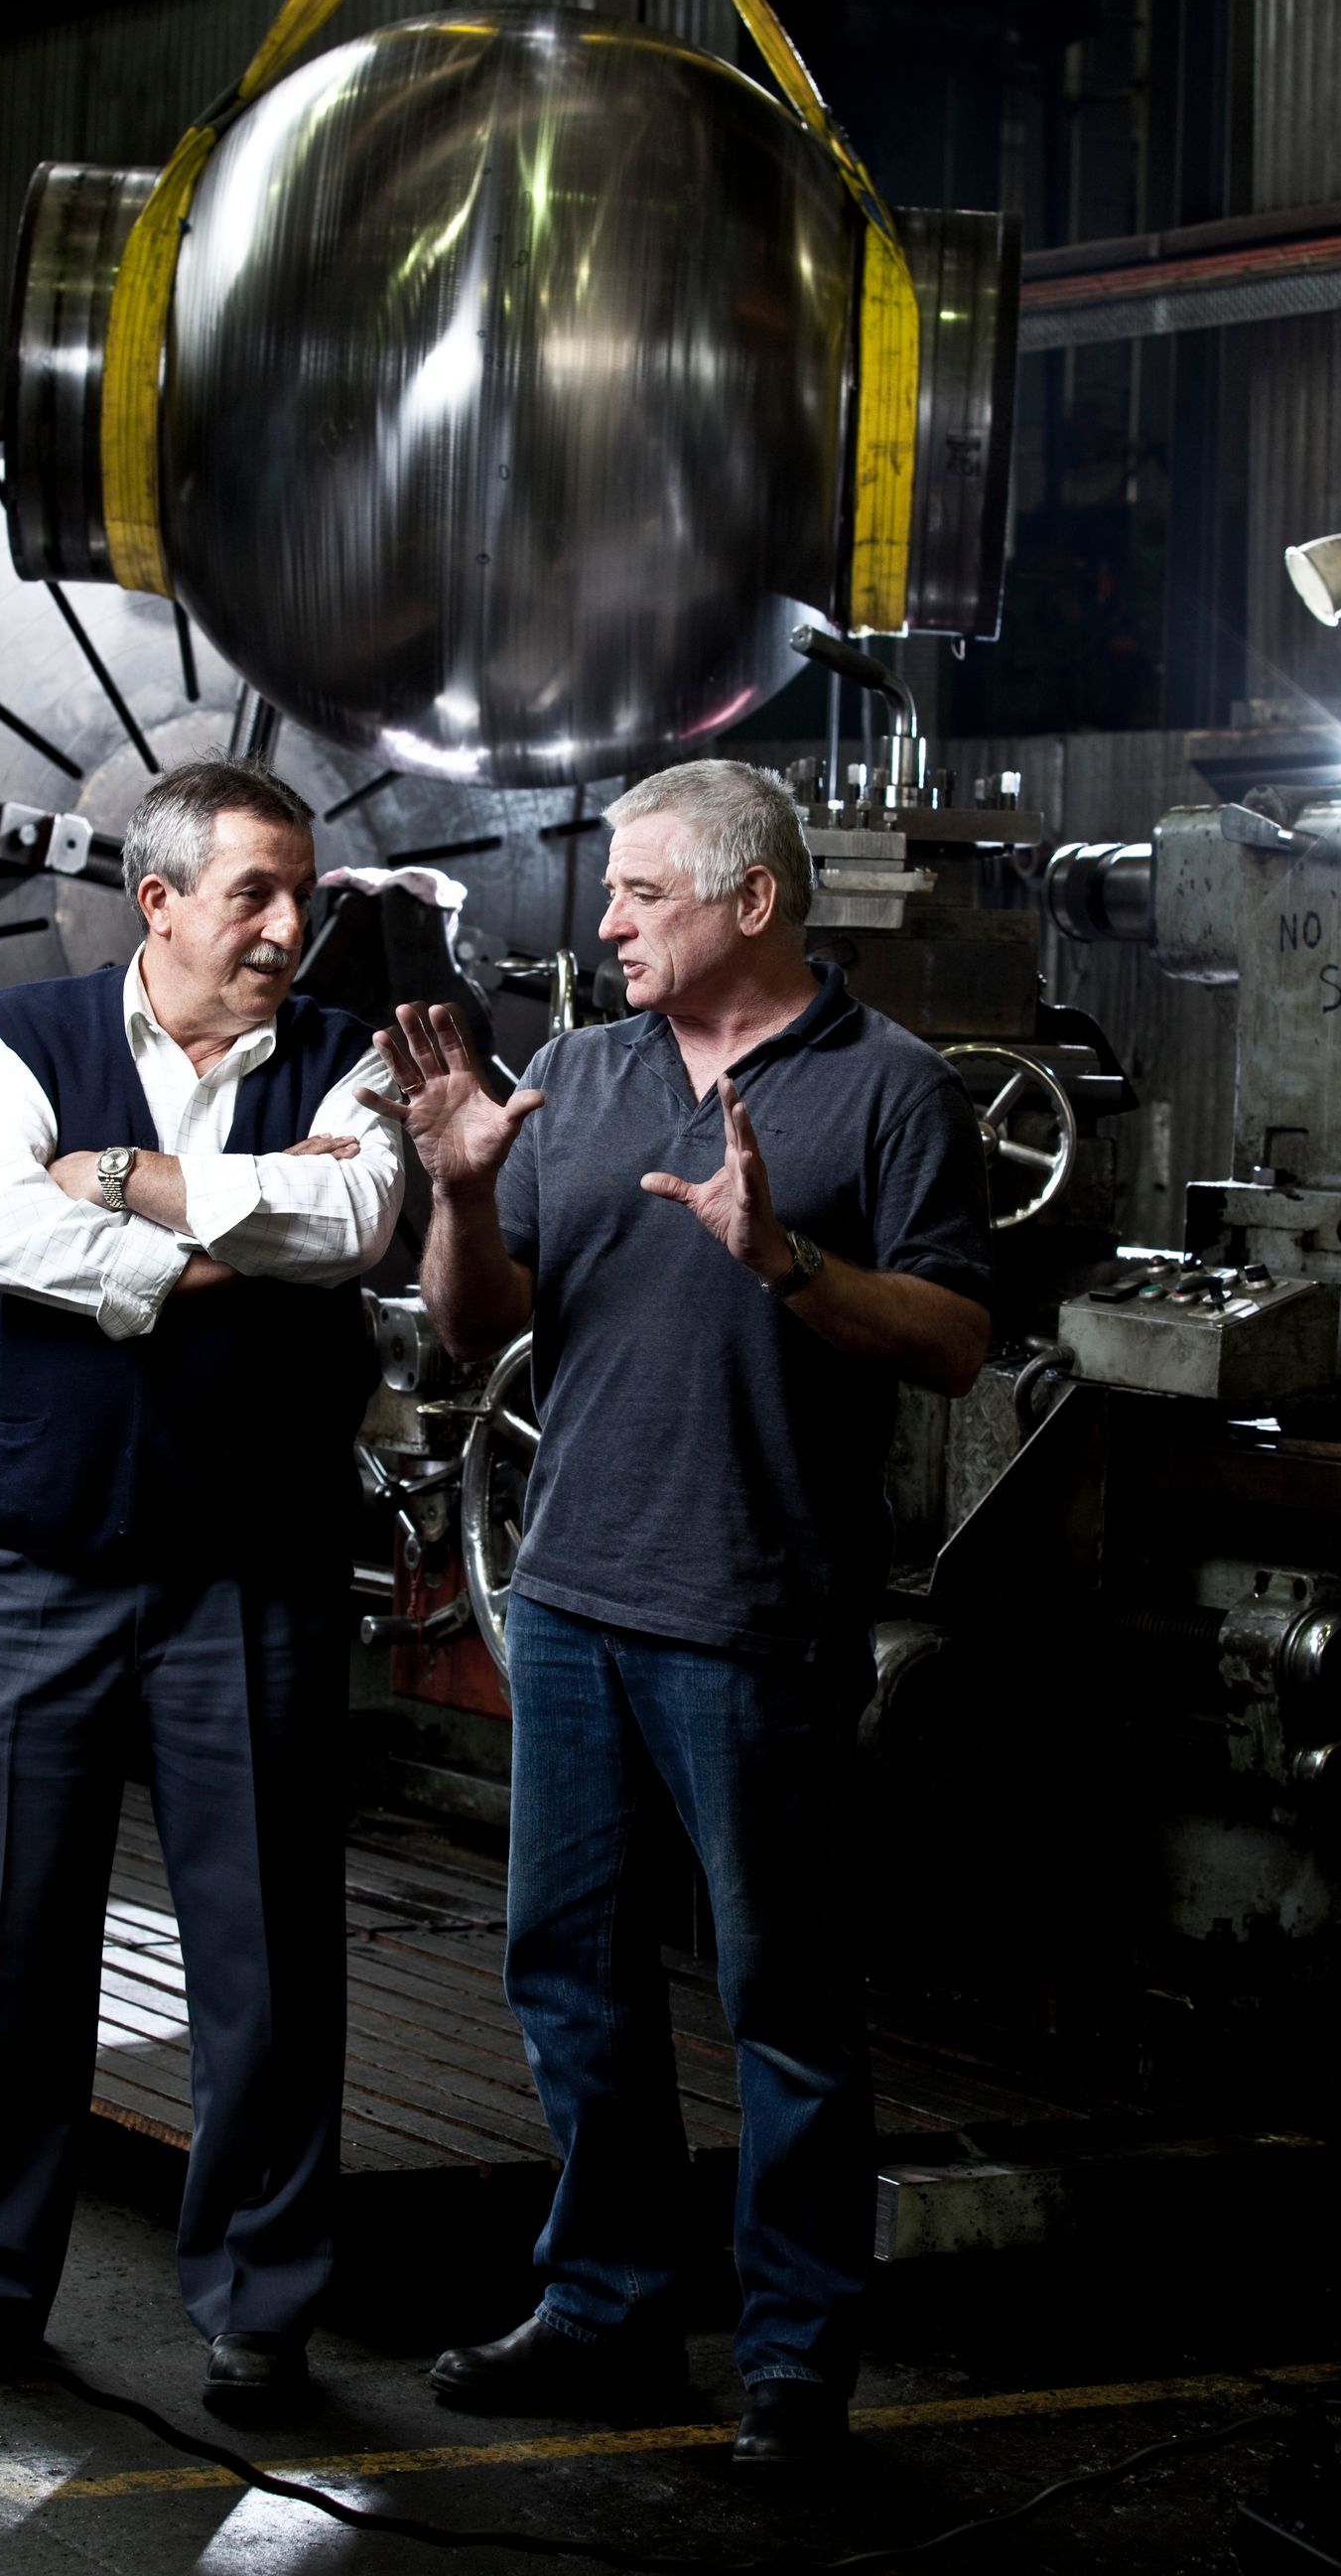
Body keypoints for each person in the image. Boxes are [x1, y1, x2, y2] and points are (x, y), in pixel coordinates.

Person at [366, 757, 992, 2466]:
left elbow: (954, 1342)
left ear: (752, 900)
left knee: (781, 2001)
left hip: (758, 1611)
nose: (608, 922)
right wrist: (462, 1189)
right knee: (568, 1973)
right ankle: (608, 2308)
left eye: (642, 892)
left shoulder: (893, 1091)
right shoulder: (576, 1072)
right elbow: (476, 1325)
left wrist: (788, 1262)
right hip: (572, 1595)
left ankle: (794, 2358)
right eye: (612, 893)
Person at [0, 757, 403, 2413]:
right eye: (253, 894)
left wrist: (121, 1178)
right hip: (45, 1563)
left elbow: (353, 1221)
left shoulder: (350, 1055)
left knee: (267, 1962)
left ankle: (260, 2308)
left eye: (302, 894)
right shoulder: (17, 1038)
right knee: (16, 1941)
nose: (287, 928)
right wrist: (219, 1253)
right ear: (157, 901)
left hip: (258, 1575)